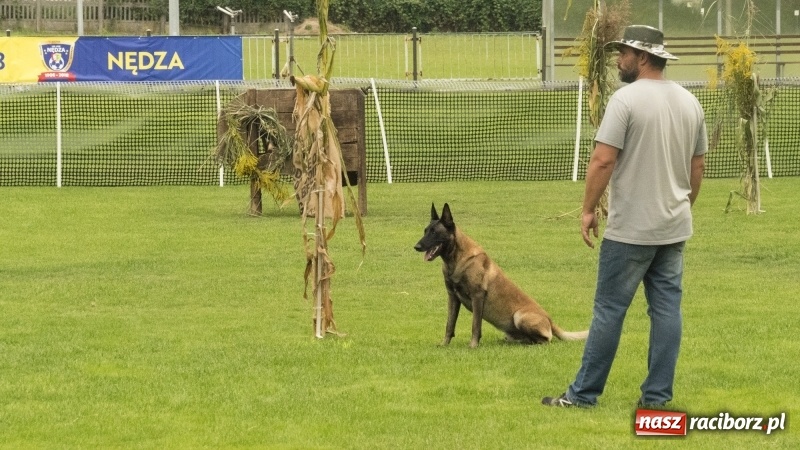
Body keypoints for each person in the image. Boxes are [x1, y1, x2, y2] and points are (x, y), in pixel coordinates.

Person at [542, 25, 707, 408]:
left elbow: (603, 159)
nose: (618, 59)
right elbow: (697, 167)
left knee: (609, 310)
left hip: (631, 229)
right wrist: (682, 206)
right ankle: (657, 398)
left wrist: (586, 210)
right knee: (666, 311)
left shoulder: (626, 99)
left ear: (643, 57)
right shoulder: (689, 102)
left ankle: (582, 396)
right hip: (673, 227)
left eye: (624, 53)